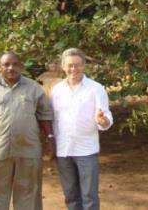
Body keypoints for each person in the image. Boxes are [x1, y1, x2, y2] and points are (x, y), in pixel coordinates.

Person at [0, 51, 55, 210]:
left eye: (15, 64)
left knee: (29, 194)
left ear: (21, 66)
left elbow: (45, 116)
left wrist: (50, 140)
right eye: (6, 64)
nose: (11, 68)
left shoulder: (34, 88)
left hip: (28, 149)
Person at [50, 48, 113, 210]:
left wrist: (103, 121)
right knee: (70, 195)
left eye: (77, 65)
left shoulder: (95, 88)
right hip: (64, 150)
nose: (73, 69)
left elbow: (106, 118)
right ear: (63, 66)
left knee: (89, 196)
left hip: (86, 150)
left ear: (84, 65)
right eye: (70, 65)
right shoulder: (56, 90)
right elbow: (53, 119)